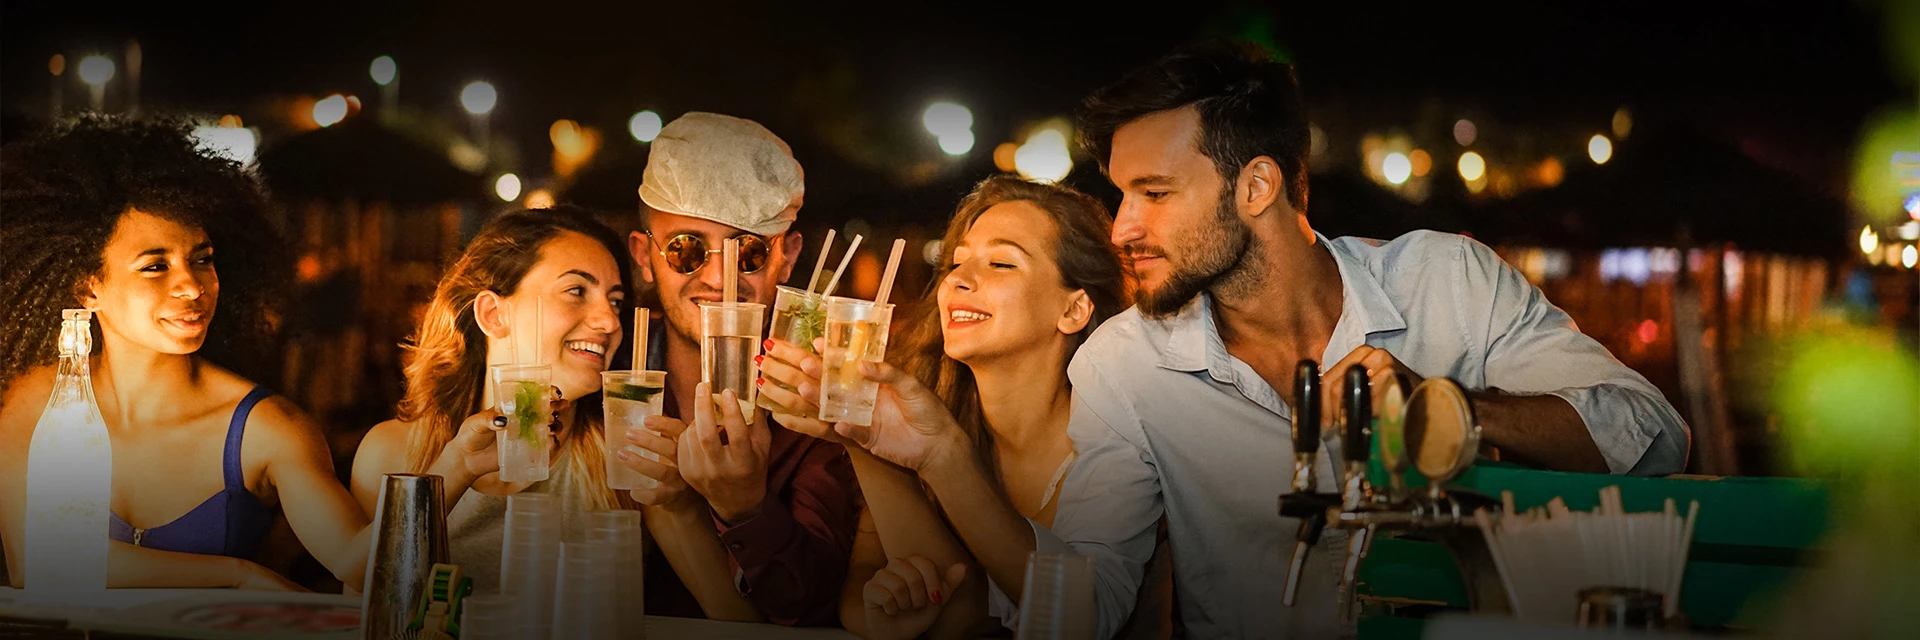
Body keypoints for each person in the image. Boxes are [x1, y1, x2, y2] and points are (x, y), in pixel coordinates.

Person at [758, 176, 1173, 639]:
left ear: (1074, 310)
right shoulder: (922, 409)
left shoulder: (1121, 441)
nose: (958, 278)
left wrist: (943, 455)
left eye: (1000, 262)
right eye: (956, 262)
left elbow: (1082, 618)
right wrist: (883, 609)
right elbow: (862, 589)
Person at [0, 116, 373, 590]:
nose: (192, 286)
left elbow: (359, 566)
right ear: (86, 288)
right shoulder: (32, 405)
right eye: (156, 266)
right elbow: (37, 565)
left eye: (202, 259)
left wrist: (453, 468)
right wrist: (235, 575)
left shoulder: (267, 431)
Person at [620, 112, 860, 626]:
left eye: (748, 250)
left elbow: (818, 609)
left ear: (788, 256)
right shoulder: (610, 372)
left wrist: (747, 510)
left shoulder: (821, 401)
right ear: (645, 255)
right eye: (686, 249)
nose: (719, 276)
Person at [350, 206, 637, 594]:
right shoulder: (392, 455)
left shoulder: (626, 459)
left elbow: (731, 622)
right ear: (492, 314)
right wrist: (455, 468)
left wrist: (682, 505)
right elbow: (366, 597)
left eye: (616, 301)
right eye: (576, 291)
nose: (610, 321)